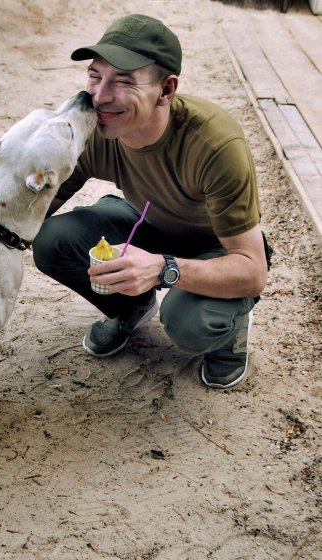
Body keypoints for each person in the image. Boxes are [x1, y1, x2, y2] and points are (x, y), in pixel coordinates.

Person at [32, 14, 272, 389]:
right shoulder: (96, 128)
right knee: (52, 240)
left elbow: (253, 271)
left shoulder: (215, 144)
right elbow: (35, 209)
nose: (99, 96)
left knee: (189, 324)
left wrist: (163, 268)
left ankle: (230, 332)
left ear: (166, 89)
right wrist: (18, 161)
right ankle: (132, 307)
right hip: (146, 219)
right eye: (95, 76)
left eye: (124, 81)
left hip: (217, 247)